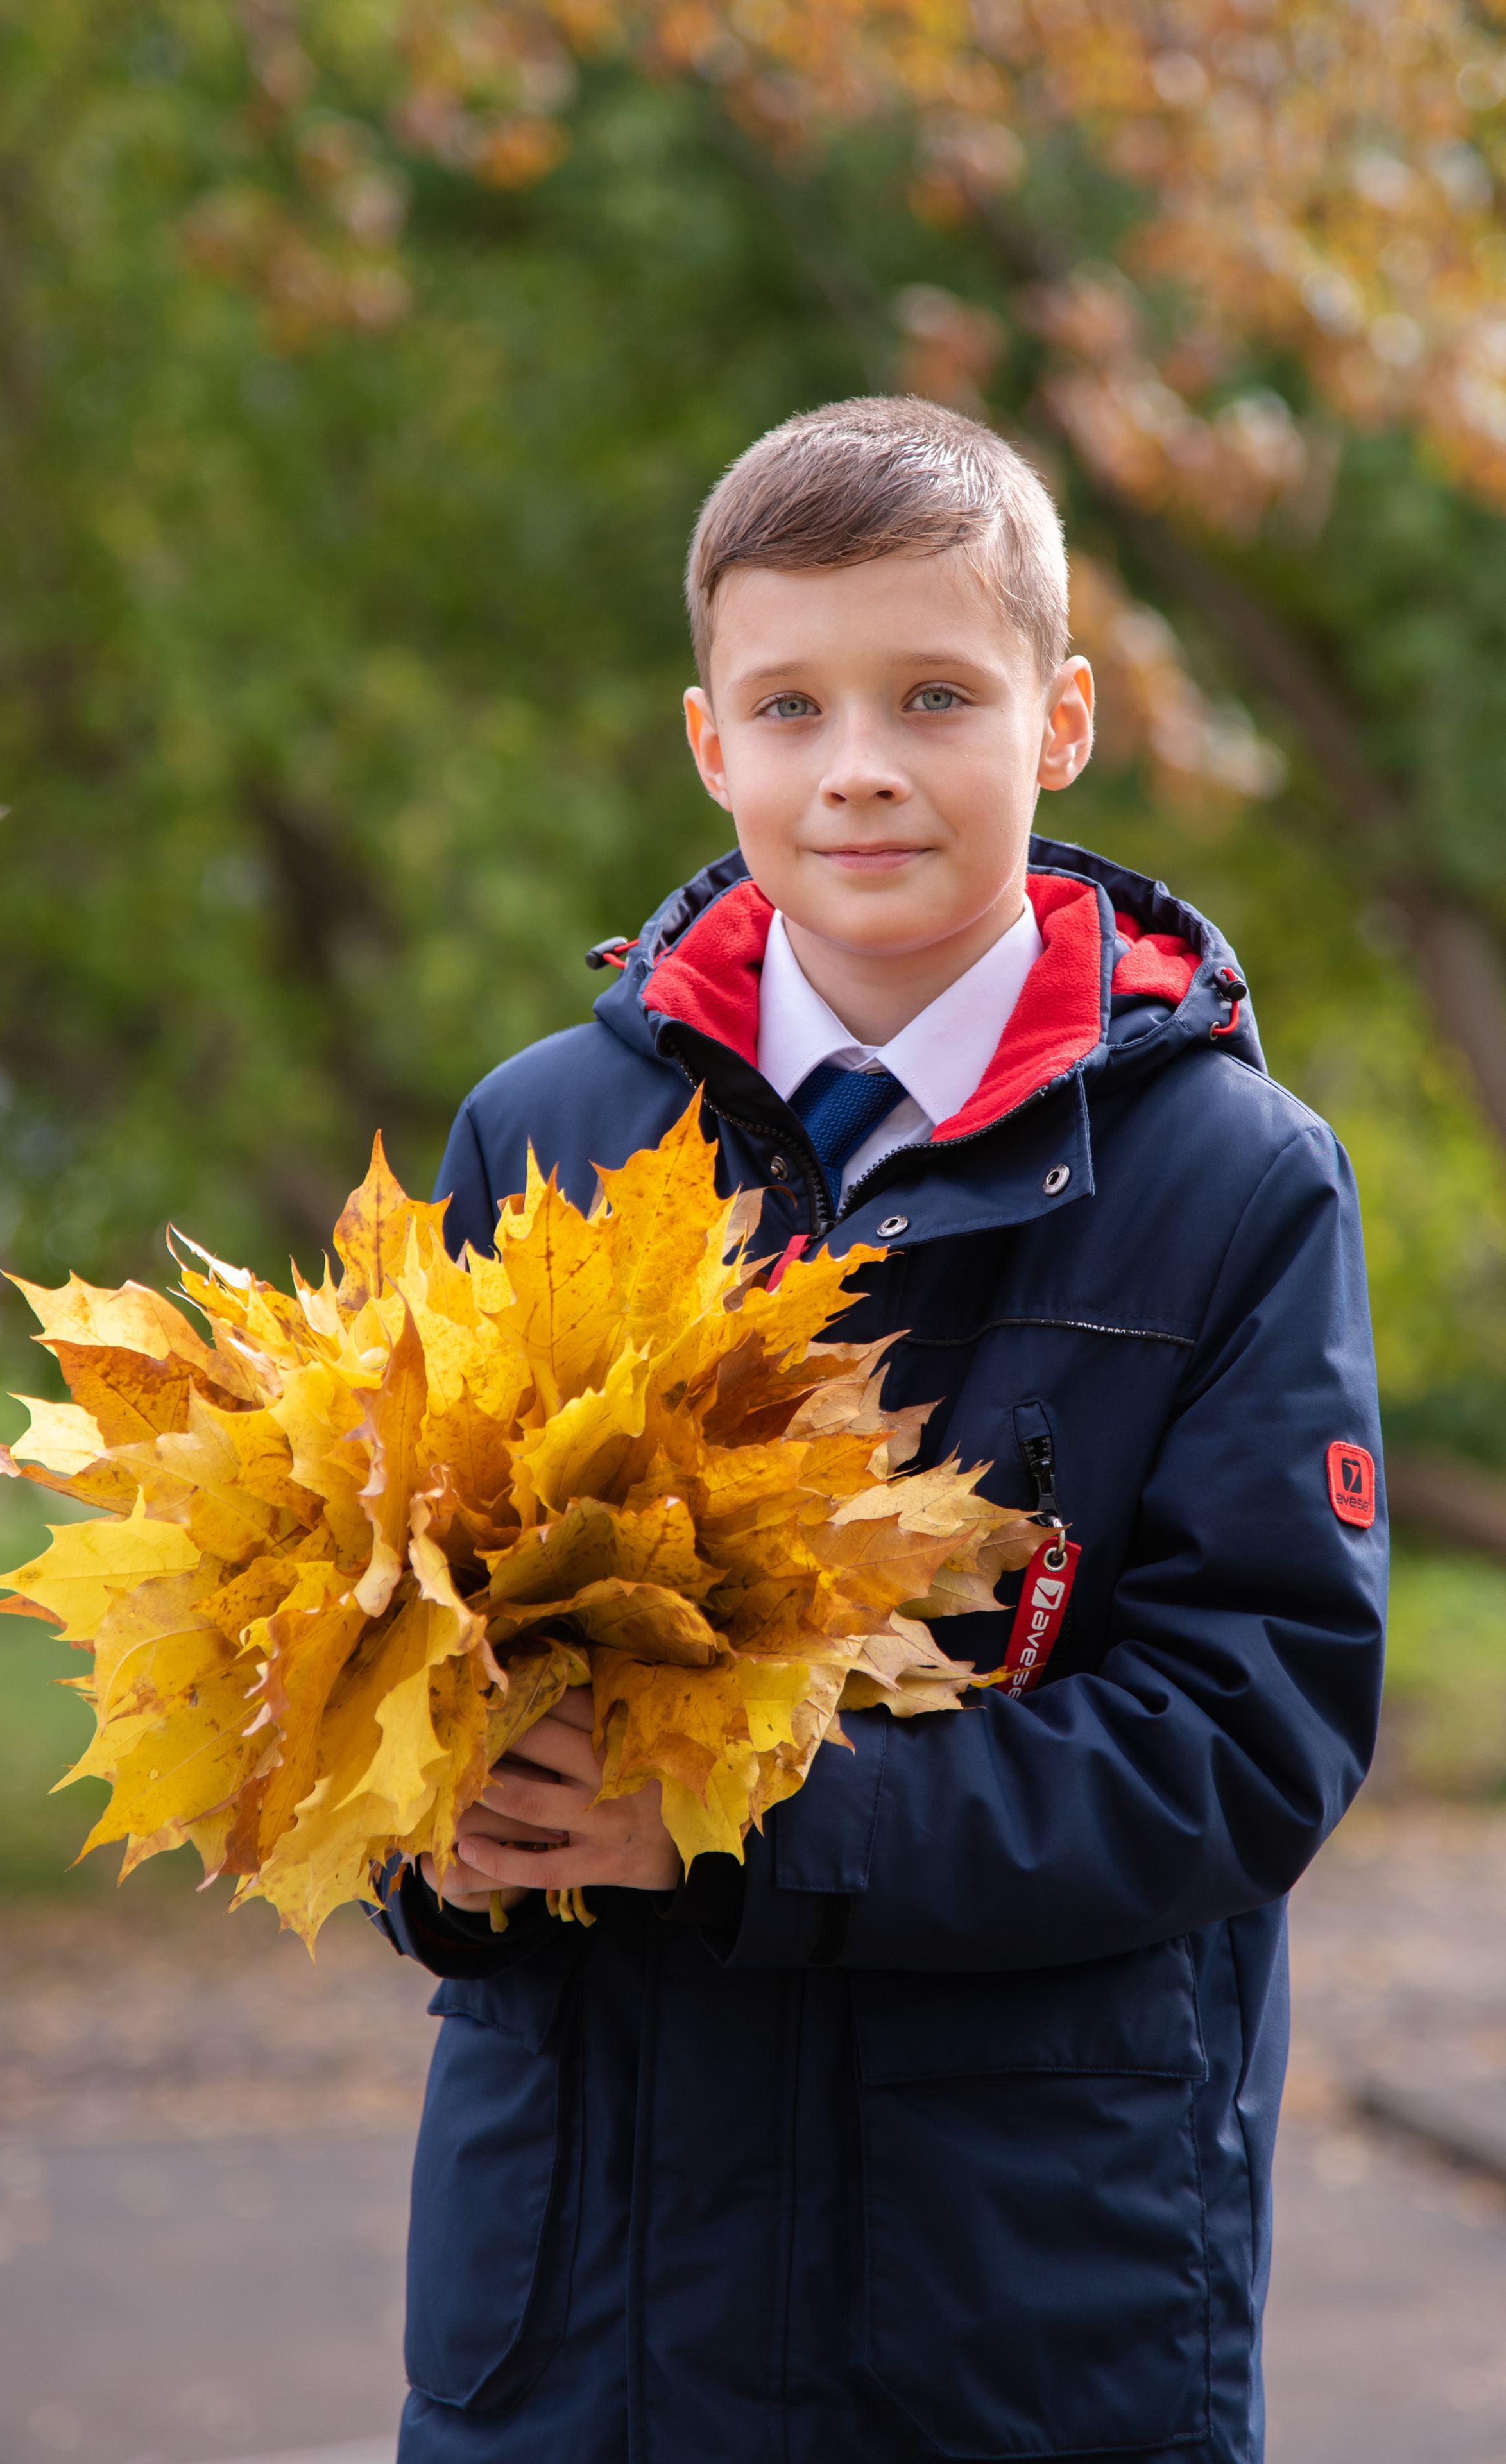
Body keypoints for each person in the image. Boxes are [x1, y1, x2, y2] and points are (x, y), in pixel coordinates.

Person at [372, 395, 1387, 2464]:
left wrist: (735, 1818)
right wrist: (441, 1826)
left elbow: (1250, 1724)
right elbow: (387, 1608)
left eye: (936, 696)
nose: (858, 769)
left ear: (1065, 717)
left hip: (1018, 2309)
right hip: (587, 2308)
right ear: (706, 741)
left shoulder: (1234, 1181)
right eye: (791, 703)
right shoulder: (537, 1132)